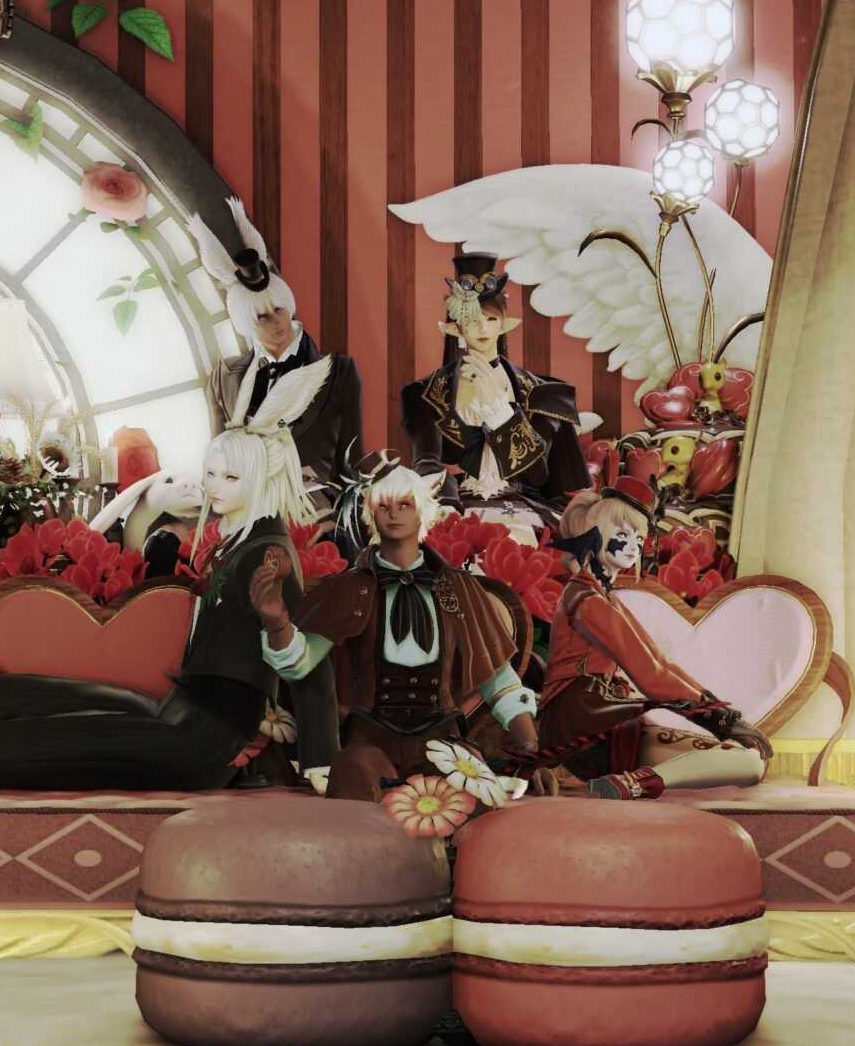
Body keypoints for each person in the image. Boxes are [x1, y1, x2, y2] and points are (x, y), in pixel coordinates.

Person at [0, 369, 334, 791]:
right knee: (17, 692)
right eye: (211, 473)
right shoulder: (240, 541)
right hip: (178, 711)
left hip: (198, 743)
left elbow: (306, 661)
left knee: (27, 740)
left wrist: (320, 759)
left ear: (263, 478)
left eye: (230, 477)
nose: (212, 487)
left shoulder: (269, 557)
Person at [258, 464, 540, 802]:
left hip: (443, 740)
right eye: (384, 506)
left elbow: (498, 680)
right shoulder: (348, 588)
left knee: (471, 797)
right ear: (371, 514)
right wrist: (277, 623)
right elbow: (300, 663)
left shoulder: (459, 587)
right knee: (351, 781)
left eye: (404, 505)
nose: (394, 514)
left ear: (423, 511)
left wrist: (532, 750)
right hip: (369, 740)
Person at [536, 479, 770, 799]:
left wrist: (724, 717)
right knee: (747, 763)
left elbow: (660, 662)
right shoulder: (587, 600)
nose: (633, 546)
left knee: (748, 762)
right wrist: (723, 721)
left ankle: (632, 782)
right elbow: (650, 674)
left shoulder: (599, 596)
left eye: (639, 538)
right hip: (587, 725)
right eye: (622, 535)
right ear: (594, 535)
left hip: (592, 721)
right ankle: (634, 784)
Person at [193, 198, 364, 504]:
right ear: (246, 322)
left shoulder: (338, 371)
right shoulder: (224, 377)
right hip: (246, 505)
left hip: (315, 506)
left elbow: (352, 458)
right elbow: (217, 456)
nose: (276, 322)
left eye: (279, 309)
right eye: (262, 317)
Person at [399, 252, 586, 516]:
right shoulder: (424, 394)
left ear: (503, 324)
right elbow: (426, 463)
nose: (483, 329)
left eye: (491, 319)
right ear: (457, 327)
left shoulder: (540, 391)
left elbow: (537, 475)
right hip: (454, 506)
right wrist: (447, 506)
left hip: (525, 507)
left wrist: (501, 414)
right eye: (472, 321)